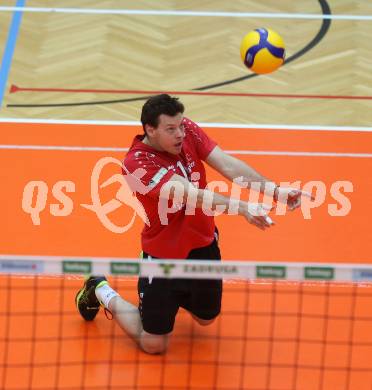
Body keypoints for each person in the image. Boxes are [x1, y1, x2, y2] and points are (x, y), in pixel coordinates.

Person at [75, 94, 310, 354]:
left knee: (206, 317)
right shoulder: (137, 165)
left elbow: (227, 164)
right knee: (155, 344)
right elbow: (192, 195)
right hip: (164, 255)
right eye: (171, 129)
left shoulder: (186, 132)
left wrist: (275, 191)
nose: (180, 134)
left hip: (202, 242)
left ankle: (172, 298)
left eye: (181, 126)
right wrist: (243, 208)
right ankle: (99, 288)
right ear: (150, 130)